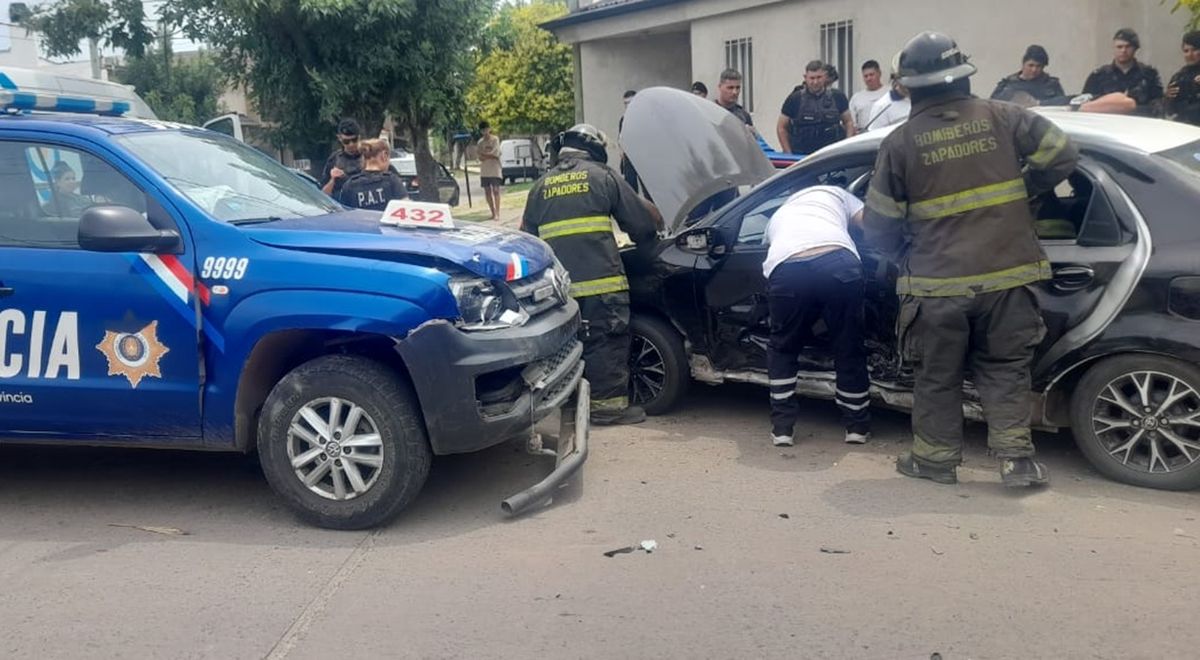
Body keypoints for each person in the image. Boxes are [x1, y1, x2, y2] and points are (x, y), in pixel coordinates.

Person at [863, 31, 1078, 488]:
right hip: (1007, 276)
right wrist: (1027, 190)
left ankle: (935, 462)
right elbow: (1062, 154)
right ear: (962, 75)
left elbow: (878, 225)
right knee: (1005, 369)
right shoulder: (1005, 117)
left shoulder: (900, 144)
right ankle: (1017, 461)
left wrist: (905, 251)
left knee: (937, 377)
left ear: (908, 85)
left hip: (937, 286)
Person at [521, 124, 661, 426]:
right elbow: (642, 226)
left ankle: (568, 404)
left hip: (557, 293)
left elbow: (527, 242)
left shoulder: (540, 187)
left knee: (565, 345)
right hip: (602, 285)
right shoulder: (603, 177)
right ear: (595, 149)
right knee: (606, 342)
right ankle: (607, 409)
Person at [763, 185, 871, 447]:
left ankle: (782, 430)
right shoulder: (837, 193)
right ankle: (856, 426)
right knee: (848, 344)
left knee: (783, 348)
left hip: (787, 268)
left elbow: (769, 248)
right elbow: (869, 224)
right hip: (838, 262)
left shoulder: (779, 214)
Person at [777, 60, 855, 155]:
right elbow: (781, 127)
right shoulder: (795, 99)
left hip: (831, 154)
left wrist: (847, 147)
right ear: (805, 78)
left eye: (819, 77)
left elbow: (849, 122)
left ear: (825, 77)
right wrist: (788, 153)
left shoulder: (838, 97)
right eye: (812, 78)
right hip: (802, 154)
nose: (815, 82)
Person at [1082, 28, 1164, 117]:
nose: (1123, 51)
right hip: (1106, 125)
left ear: (1135, 48)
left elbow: (1158, 104)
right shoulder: (1098, 76)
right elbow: (1086, 104)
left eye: (1128, 46)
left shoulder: (1149, 75)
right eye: (1119, 47)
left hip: (1140, 124)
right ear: (1113, 48)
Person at [337, 138, 409, 211]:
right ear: (384, 155)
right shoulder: (392, 181)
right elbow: (405, 208)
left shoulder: (349, 185)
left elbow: (344, 214)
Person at [990, 45, 1069, 106]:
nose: (1034, 70)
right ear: (1023, 64)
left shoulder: (1051, 84)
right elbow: (993, 105)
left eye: (1038, 66)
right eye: (1031, 65)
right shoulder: (1008, 84)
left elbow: (1063, 104)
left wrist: (1039, 103)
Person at [320, 119, 364, 199]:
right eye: (346, 141)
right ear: (340, 138)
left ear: (359, 137)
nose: (351, 144)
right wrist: (333, 179)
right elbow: (323, 195)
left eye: (354, 140)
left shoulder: (369, 155)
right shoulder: (334, 159)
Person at [1167, 31, 1200, 126]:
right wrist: (1168, 98)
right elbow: (1169, 111)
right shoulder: (1179, 77)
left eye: (1194, 50)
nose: (1190, 55)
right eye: (1186, 51)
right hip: (1184, 129)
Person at [849, 60, 889, 131]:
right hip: (864, 136)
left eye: (871, 75)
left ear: (879, 73)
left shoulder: (890, 93)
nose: (869, 78)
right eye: (865, 76)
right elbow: (852, 123)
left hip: (886, 133)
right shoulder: (857, 97)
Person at [618, 90, 643, 193]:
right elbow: (621, 138)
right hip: (629, 158)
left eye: (630, 102)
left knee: (649, 191)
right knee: (630, 189)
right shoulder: (623, 120)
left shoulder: (643, 118)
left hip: (643, 158)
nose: (628, 106)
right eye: (626, 103)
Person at [477, 121, 502, 221]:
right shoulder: (480, 142)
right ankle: (492, 212)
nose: (485, 132)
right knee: (487, 191)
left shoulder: (495, 139)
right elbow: (479, 156)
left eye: (486, 129)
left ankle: (498, 213)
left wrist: (486, 155)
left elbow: (496, 153)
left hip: (495, 169)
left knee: (496, 190)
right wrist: (488, 155)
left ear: (489, 129)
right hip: (485, 171)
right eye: (483, 130)